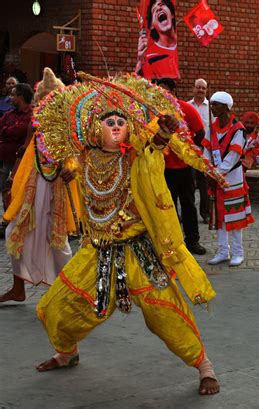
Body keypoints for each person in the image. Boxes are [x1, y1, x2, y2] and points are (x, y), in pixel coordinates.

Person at [33, 73, 224, 395]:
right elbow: (56, 165)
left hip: (140, 252)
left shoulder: (137, 154)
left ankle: (205, 366)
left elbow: (156, 145)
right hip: (97, 251)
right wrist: (66, 170)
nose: (117, 126)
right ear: (96, 128)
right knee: (57, 306)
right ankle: (67, 352)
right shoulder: (85, 157)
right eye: (109, 122)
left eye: (121, 121)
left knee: (163, 314)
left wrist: (163, 133)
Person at [0, 67, 79, 303]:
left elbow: (78, 154)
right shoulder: (35, 124)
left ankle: (68, 290)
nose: (45, 106)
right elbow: (24, 151)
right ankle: (18, 288)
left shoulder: (67, 126)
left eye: (51, 101)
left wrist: (72, 168)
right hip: (33, 187)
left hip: (56, 190)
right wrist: (12, 180)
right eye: (43, 102)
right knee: (14, 231)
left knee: (57, 242)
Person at [154, 77, 207, 255]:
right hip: (163, 168)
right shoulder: (154, 112)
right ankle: (174, 243)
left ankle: (193, 241)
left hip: (184, 167)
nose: (161, 93)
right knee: (168, 206)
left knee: (189, 204)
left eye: (164, 90)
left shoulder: (186, 109)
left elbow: (200, 132)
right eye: (158, 90)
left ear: (173, 92)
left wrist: (189, 148)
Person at [202, 91, 254, 266]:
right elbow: (206, 151)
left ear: (226, 107)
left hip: (232, 178)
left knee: (235, 216)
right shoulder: (212, 128)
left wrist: (214, 173)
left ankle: (238, 253)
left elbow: (232, 157)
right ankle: (223, 251)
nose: (212, 108)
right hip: (216, 178)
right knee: (220, 217)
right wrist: (208, 169)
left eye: (216, 104)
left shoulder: (238, 129)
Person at [0, 82, 33, 227]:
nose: (10, 97)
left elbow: (19, 131)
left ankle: (17, 219)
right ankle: (7, 217)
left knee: (18, 190)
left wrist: (7, 131)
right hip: (5, 160)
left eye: (13, 95)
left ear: (20, 97)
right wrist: (8, 131)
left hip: (20, 162)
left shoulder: (31, 115)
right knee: (5, 189)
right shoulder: (9, 114)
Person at [188, 78, 212, 223]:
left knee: (204, 182)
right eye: (198, 87)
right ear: (193, 88)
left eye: (203, 88)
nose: (200, 90)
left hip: (205, 148)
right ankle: (189, 214)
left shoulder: (211, 107)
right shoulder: (187, 106)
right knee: (189, 181)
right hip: (189, 148)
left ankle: (206, 213)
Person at [137, 0, 179, 79]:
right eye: (154, 10)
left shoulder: (176, 51)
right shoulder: (148, 56)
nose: (159, 8)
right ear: (152, 25)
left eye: (162, 4)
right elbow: (138, 82)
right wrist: (140, 62)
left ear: (172, 14)